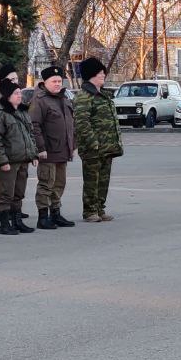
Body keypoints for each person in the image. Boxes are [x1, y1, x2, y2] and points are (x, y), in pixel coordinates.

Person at [73, 56, 123, 222]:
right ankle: (89, 211)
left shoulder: (103, 95)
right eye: (100, 73)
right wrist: (93, 143)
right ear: (92, 75)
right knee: (91, 180)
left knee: (103, 180)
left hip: (107, 147)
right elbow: (82, 123)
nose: (103, 75)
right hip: (93, 149)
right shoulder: (84, 96)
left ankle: (100, 208)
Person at [0, 77, 37, 235]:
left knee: (18, 192)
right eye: (15, 93)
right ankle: (4, 223)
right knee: (5, 192)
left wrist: (33, 155)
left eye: (19, 92)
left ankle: (17, 221)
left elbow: (30, 135)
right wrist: (2, 161)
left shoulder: (22, 112)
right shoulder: (0, 115)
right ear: (7, 96)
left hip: (23, 159)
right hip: (9, 161)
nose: (19, 95)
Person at [30, 65, 76, 230]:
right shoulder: (40, 100)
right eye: (54, 81)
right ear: (45, 82)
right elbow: (34, 126)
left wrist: (73, 145)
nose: (57, 84)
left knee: (59, 183)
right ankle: (43, 216)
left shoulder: (64, 98)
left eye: (59, 81)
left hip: (63, 150)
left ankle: (55, 213)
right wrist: (40, 148)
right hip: (47, 151)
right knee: (46, 183)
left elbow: (71, 123)